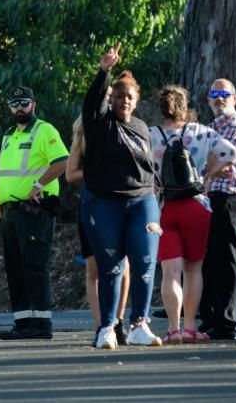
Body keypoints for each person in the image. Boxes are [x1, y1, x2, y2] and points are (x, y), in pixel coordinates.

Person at [81, 44, 162, 349]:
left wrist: (157, 199)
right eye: (118, 96)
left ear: (136, 101)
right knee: (111, 267)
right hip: (104, 202)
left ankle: (140, 323)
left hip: (142, 201)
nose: (124, 101)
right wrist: (105, 71)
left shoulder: (142, 128)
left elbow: (149, 168)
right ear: (110, 99)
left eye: (129, 97)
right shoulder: (99, 124)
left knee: (144, 261)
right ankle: (107, 328)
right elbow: (91, 103)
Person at [149, 85, 236, 344]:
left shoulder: (151, 135)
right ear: (185, 107)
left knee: (169, 272)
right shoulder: (201, 132)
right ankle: (190, 327)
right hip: (196, 205)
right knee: (193, 270)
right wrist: (208, 175)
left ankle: (173, 329)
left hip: (164, 207)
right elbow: (231, 153)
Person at [0, 87, 68, 340]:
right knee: (15, 268)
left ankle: (41, 324)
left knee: (34, 265)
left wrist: (38, 184)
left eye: (24, 103)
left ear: (33, 104)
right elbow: (8, 170)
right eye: (14, 104)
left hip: (34, 209)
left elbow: (62, 162)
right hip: (10, 211)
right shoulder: (8, 135)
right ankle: (23, 323)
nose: (19, 108)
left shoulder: (44, 130)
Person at [66, 115, 131, 345]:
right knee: (93, 267)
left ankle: (118, 321)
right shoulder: (83, 130)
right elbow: (70, 173)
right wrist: (94, 173)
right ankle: (101, 325)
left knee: (122, 265)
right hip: (93, 204)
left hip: (121, 202)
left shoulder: (124, 126)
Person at [199, 79, 236, 340]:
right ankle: (211, 317)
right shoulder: (211, 127)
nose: (220, 99)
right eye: (215, 94)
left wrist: (207, 172)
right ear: (208, 98)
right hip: (211, 197)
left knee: (227, 258)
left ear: (234, 99)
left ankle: (228, 322)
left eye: (225, 94)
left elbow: (224, 160)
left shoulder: (234, 125)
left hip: (229, 197)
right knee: (211, 259)